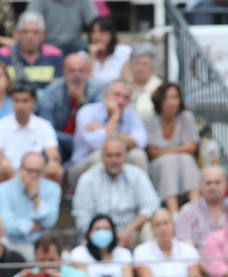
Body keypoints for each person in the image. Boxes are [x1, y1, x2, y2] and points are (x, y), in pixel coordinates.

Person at [72, 136, 161, 247]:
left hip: (131, 233)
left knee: (149, 228)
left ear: (125, 156)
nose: (114, 160)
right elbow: (83, 220)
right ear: (102, 156)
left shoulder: (137, 175)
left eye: (118, 155)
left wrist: (128, 230)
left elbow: (151, 207)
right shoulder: (87, 179)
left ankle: (148, 263)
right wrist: (109, 236)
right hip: (99, 236)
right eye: (109, 155)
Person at [69, 78, 149, 185]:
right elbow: (98, 144)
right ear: (105, 95)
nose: (121, 101)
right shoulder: (87, 111)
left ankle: (140, 195)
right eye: (117, 95)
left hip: (118, 161)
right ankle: (97, 199)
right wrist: (115, 117)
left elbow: (140, 142)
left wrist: (106, 131)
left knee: (138, 155)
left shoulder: (131, 114)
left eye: (126, 97)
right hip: (81, 167)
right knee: (100, 156)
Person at [0, 80, 63, 185]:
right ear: (11, 101)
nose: (20, 106)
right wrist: (2, 161)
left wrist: (53, 162)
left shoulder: (44, 126)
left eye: (25, 101)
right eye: (16, 101)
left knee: (56, 170)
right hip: (11, 172)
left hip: (36, 172)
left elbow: (53, 153)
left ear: (33, 100)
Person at [37, 51, 103, 164]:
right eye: (72, 71)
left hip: (88, 147)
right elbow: (47, 129)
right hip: (59, 144)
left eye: (80, 70)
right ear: (63, 72)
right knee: (46, 152)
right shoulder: (51, 92)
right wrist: (74, 141)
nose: (76, 75)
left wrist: (82, 101)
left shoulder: (98, 90)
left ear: (87, 72)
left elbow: (98, 127)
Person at [145, 82, 201, 213]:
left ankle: (197, 208)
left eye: (175, 97)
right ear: (159, 101)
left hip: (181, 165)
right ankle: (173, 212)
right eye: (166, 98)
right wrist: (179, 149)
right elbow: (152, 153)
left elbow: (191, 147)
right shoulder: (149, 120)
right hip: (159, 168)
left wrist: (164, 151)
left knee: (186, 159)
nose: (171, 102)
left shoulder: (186, 117)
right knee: (169, 161)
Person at [0, 152, 62, 255]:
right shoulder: (3, 189)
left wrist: (35, 196)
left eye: (38, 171)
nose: (33, 175)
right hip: (11, 244)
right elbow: (7, 226)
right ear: (21, 169)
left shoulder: (53, 188)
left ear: (43, 172)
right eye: (30, 170)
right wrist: (36, 226)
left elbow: (50, 221)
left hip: (42, 246)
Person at [133, 209, 202, 277]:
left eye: (166, 223)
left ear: (173, 224)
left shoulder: (188, 249)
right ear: (152, 228)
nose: (162, 228)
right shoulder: (141, 250)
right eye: (157, 224)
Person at [68, 213, 135, 277]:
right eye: (97, 229)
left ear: (113, 232)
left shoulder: (124, 253)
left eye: (106, 229)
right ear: (89, 233)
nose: (102, 232)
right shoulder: (79, 253)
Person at [86, 15, 131, 84]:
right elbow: (86, 84)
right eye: (93, 32)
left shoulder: (124, 51)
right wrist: (91, 56)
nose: (97, 36)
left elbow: (127, 81)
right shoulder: (82, 55)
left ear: (111, 34)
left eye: (102, 31)